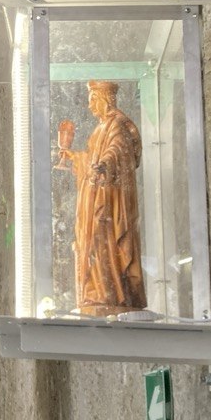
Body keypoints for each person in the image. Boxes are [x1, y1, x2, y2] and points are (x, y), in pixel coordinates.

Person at [56, 79, 146, 315]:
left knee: (105, 241)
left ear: (103, 100)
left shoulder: (118, 125)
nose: (89, 107)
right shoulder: (100, 128)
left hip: (111, 202)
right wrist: (75, 157)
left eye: (92, 101)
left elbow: (119, 151)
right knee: (92, 243)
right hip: (95, 196)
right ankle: (98, 291)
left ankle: (113, 291)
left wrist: (105, 164)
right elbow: (92, 159)